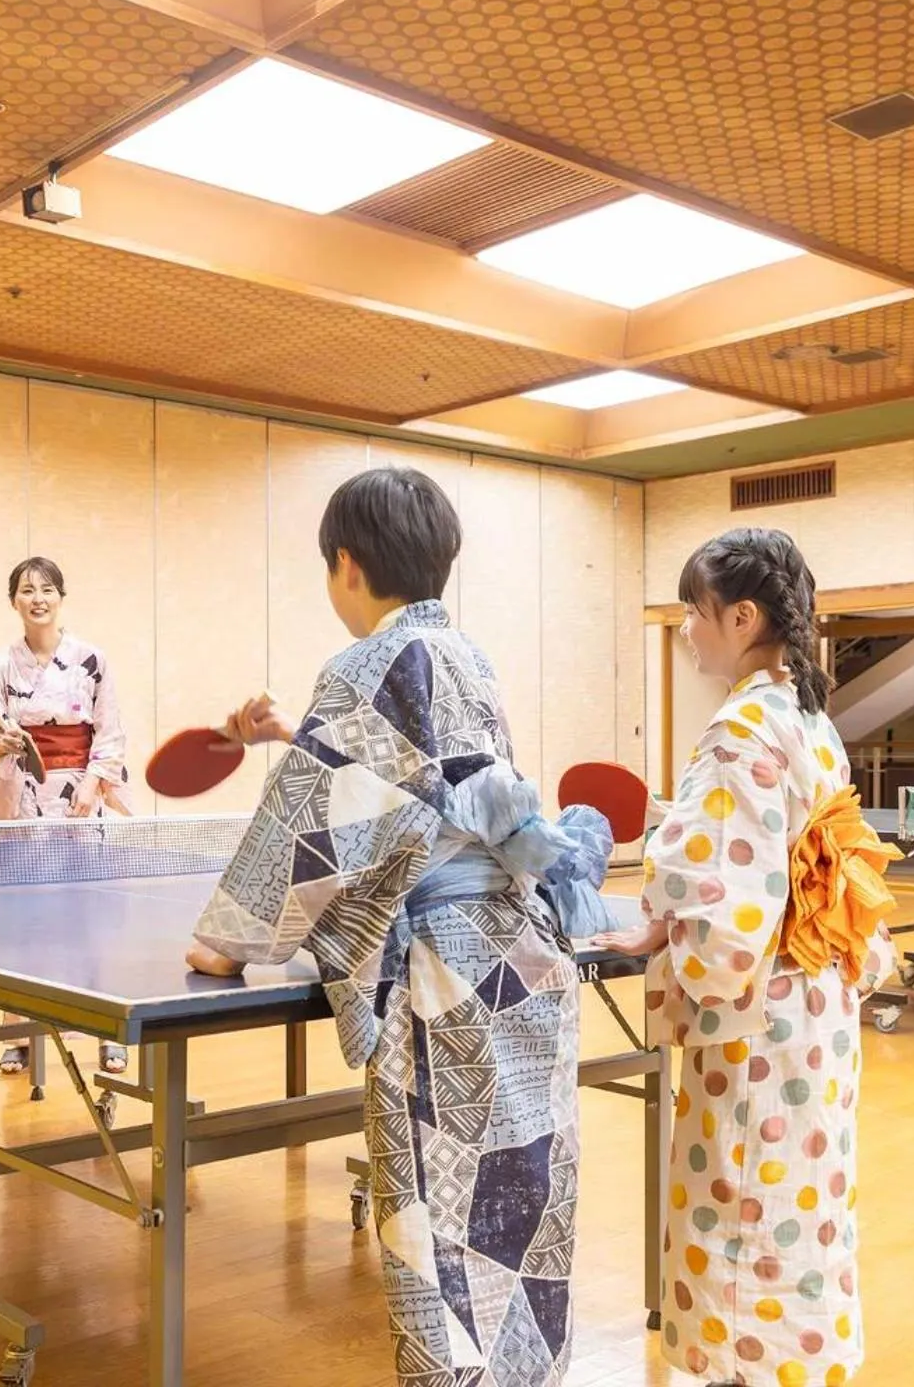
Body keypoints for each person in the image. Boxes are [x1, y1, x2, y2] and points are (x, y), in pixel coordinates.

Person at [185, 466, 610, 1386]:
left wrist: (231, 937)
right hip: (526, 961)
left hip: (447, 982)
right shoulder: (468, 657)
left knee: (443, 1222)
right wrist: (298, 733)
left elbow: (322, 823)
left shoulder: (365, 662)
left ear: (345, 564)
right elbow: (426, 787)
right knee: (523, 1200)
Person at [592, 528, 901, 1387]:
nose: (687, 628)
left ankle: (745, 1369)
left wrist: (668, 926)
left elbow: (726, 915)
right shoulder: (807, 716)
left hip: (761, 1015)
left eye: (693, 611)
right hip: (821, 1003)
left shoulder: (740, 731)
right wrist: (671, 911)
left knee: (743, 1199)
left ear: (741, 615)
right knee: (807, 1198)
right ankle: (801, 1361)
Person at [0, 555, 131, 1076]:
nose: (37, 598)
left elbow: (110, 732)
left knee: (89, 917)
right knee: (21, 920)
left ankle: (110, 1032)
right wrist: (3, 741)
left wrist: (92, 784)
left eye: (47, 589)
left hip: (80, 799)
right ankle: (16, 1033)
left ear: (62, 597)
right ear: (13, 600)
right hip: (22, 801)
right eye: (26, 590)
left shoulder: (93, 659)